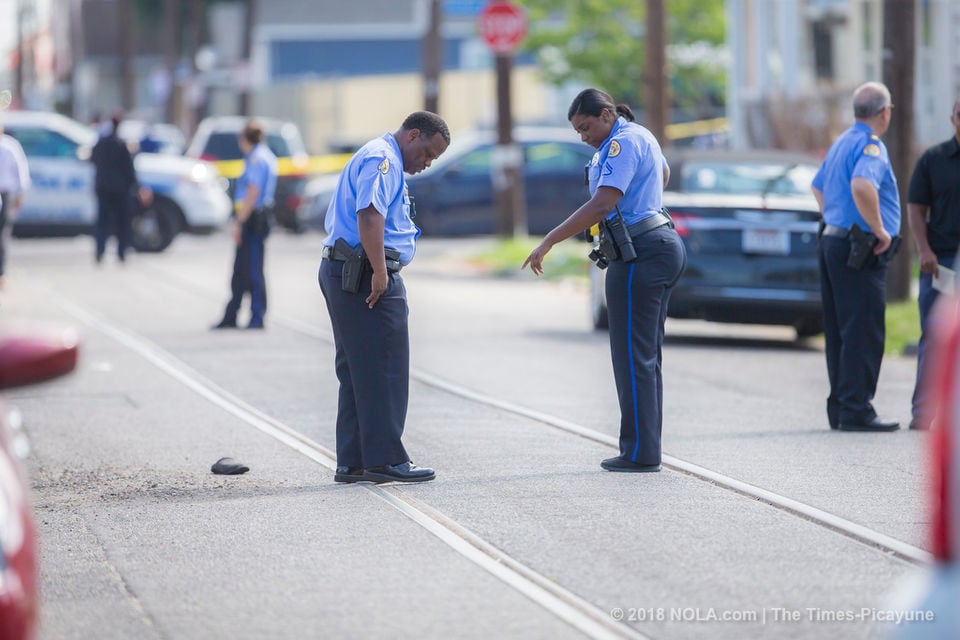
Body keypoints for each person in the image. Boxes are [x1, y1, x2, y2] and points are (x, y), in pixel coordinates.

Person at [522, 88, 686, 473]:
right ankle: (643, 448)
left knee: (632, 357)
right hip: (653, 244)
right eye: (578, 131)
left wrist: (548, 240)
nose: (583, 136)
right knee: (643, 357)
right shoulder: (639, 136)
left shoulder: (621, 144)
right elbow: (661, 173)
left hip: (640, 251)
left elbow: (602, 202)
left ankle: (640, 453)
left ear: (608, 114)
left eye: (586, 126)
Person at [318, 111, 449, 484]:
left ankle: (354, 460)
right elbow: (370, 215)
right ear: (412, 135)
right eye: (427, 153)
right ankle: (385, 459)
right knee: (384, 368)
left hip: (348, 270)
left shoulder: (380, 154)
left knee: (358, 370)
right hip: (364, 273)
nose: (426, 163)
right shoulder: (384, 159)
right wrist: (378, 272)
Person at [811, 81, 902, 432]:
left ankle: (842, 406)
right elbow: (862, 186)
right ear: (884, 111)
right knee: (863, 330)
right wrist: (879, 229)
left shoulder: (841, 142)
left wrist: (835, 216)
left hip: (834, 242)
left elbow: (817, 186)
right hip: (859, 248)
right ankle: (857, 408)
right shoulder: (870, 146)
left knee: (840, 329)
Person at [905, 97, 960, 431]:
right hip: (942, 263)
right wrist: (923, 250)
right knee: (935, 335)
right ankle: (923, 412)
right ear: (953, 117)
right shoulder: (933, 159)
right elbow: (915, 207)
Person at [213, 119, 278, 330]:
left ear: (244, 139)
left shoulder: (257, 159)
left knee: (251, 269)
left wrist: (239, 221)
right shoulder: (264, 155)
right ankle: (234, 313)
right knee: (243, 269)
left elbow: (252, 192)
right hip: (256, 217)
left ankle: (256, 315)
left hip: (252, 219)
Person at [90, 111, 151, 264]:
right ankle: (121, 253)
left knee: (103, 222)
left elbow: (92, 160)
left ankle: (100, 251)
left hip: (103, 188)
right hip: (120, 191)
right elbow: (129, 170)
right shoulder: (122, 145)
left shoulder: (101, 143)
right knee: (122, 223)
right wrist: (137, 187)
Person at [0, 122, 31, 288]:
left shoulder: (10, 146)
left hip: (5, 193)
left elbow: (21, 171)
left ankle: (1, 273)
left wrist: (20, 194)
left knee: (2, 233)